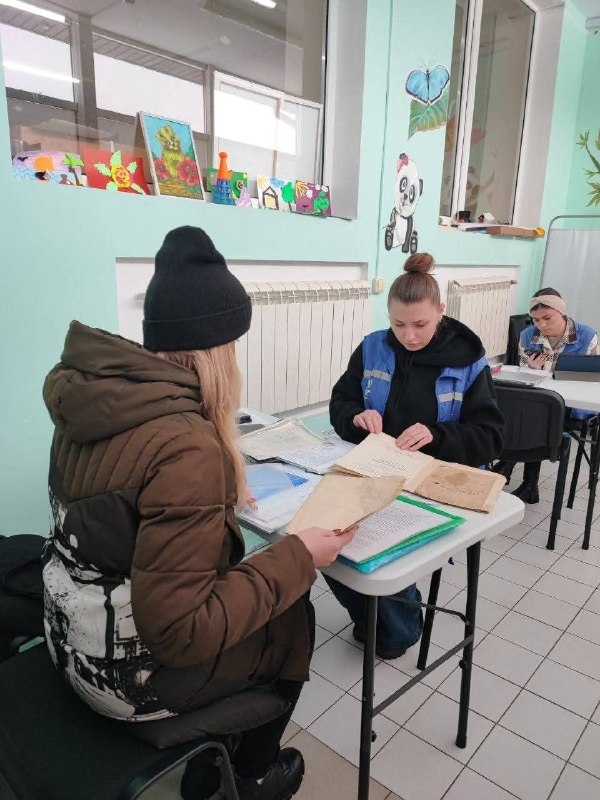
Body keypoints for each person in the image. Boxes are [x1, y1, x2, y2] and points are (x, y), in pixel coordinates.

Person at [42, 225, 356, 800]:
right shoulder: (188, 448)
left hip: (67, 636)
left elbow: (129, 516)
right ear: (217, 352)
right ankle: (248, 775)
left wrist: (214, 497)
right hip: (121, 677)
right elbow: (181, 633)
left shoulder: (95, 405)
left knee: (257, 585)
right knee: (293, 616)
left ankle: (222, 760)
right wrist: (300, 555)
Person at [327, 252, 504, 659]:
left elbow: (491, 437)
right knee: (326, 542)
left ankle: (397, 628)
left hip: (432, 484)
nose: (408, 336)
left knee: (379, 553)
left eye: (420, 324)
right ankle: (379, 617)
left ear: (441, 310)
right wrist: (356, 416)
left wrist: (437, 434)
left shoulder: (468, 361)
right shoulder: (372, 348)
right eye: (398, 324)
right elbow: (341, 401)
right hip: (374, 473)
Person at [493, 287, 600, 504]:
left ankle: (510, 466)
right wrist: (531, 369)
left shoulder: (587, 336)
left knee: (536, 415)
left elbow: (594, 376)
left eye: (547, 318)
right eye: (536, 320)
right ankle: (526, 483)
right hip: (542, 401)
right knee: (522, 409)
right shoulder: (527, 335)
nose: (541, 325)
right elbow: (525, 375)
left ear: (562, 312)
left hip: (572, 405)